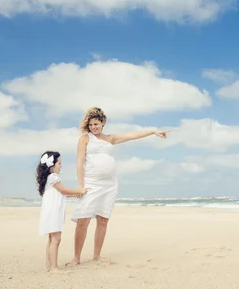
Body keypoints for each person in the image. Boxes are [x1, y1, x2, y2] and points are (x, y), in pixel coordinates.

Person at [67, 107, 168, 266]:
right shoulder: (85, 138)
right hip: (91, 184)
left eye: (96, 124)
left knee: (102, 221)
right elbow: (79, 163)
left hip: (109, 185)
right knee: (83, 220)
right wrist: (81, 186)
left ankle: (96, 256)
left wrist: (153, 132)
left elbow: (131, 136)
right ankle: (76, 258)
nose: (94, 127)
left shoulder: (110, 139)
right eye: (91, 124)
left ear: (103, 122)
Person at [36, 151, 88, 272]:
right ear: (52, 165)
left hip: (51, 210)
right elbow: (64, 190)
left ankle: (49, 265)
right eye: (59, 163)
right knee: (56, 239)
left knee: (51, 238)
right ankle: (54, 267)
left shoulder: (49, 178)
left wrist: (76, 194)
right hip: (54, 211)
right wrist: (79, 191)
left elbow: (61, 194)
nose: (61, 165)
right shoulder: (53, 177)